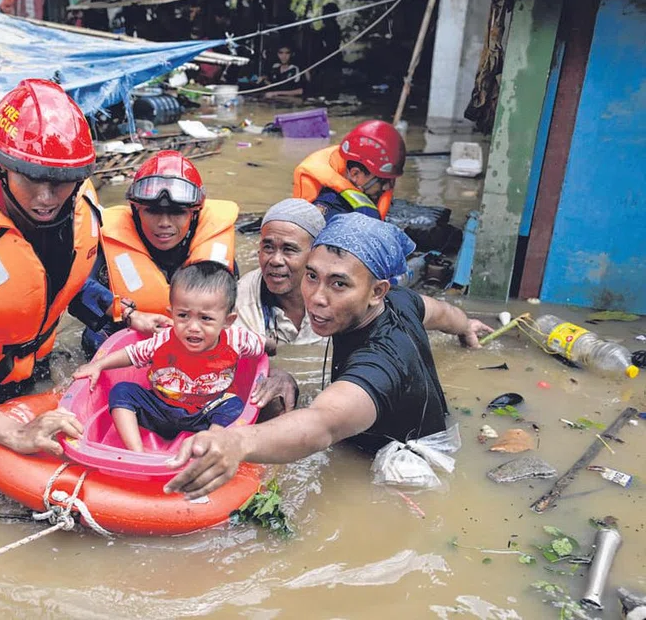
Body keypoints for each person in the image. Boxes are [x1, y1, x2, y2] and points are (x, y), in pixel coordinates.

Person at [0, 79, 163, 460]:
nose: (46, 199)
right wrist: (14, 433)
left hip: (31, 369)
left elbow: (67, 281)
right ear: (0, 168)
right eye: (32, 180)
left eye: (59, 183)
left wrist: (126, 313)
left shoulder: (72, 206)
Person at [163, 213, 494, 499]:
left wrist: (237, 442)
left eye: (338, 284)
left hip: (407, 462)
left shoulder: (381, 361)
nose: (316, 298)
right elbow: (441, 313)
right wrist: (466, 327)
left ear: (377, 291)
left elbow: (322, 423)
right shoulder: (401, 301)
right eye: (311, 276)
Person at [73, 262, 265, 452]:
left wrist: (270, 347)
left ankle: (209, 445)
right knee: (122, 391)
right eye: (183, 316)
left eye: (205, 318)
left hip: (206, 412)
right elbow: (132, 353)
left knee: (233, 405)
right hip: (159, 408)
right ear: (171, 314)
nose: (193, 327)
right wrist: (98, 365)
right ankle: (136, 451)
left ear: (227, 321)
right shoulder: (164, 339)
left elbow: (263, 347)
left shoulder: (237, 339)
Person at [83, 150, 238, 356]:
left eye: (177, 212)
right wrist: (129, 314)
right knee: (94, 338)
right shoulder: (105, 247)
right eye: (153, 211)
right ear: (136, 211)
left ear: (194, 215)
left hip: (195, 341)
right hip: (127, 336)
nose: (164, 223)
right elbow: (77, 288)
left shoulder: (215, 252)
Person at [235, 199, 327, 351]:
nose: (276, 260)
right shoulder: (241, 301)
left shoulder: (338, 300)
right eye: (268, 248)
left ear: (315, 254)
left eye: (289, 249)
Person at [292, 120, 406, 222]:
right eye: (383, 181)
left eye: (391, 180)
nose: (387, 187)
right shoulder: (328, 208)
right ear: (355, 174)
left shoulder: (351, 159)